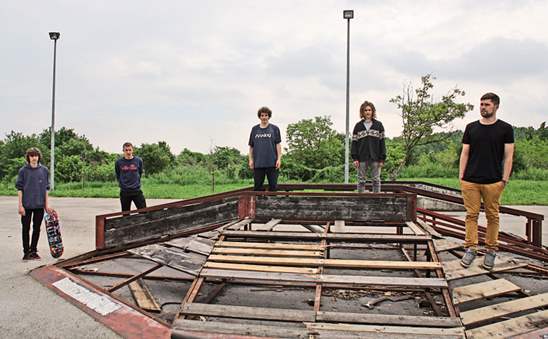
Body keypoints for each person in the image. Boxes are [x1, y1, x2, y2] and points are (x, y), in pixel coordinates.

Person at [459, 92, 514, 270]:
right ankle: (471, 248)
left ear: (496, 106)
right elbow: (465, 152)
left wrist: (504, 179)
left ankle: (490, 251)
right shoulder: (471, 127)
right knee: (471, 216)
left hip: (493, 181)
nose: (483, 107)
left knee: (492, 216)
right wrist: (461, 176)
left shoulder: (505, 128)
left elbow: (508, 156)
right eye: (481, 104)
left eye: (487, 104)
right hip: (471, 180)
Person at [15, 147, 52, 260]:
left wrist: (46, 205)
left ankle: (33, 251)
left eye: (36, 155)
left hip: (39, 205)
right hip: (26, 205)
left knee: (37, 228)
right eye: (31, 156)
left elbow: (46, 189)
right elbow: (20, 189)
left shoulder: (44, 171)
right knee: (25, 228)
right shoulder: (23, 171)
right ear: (28, 157)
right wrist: (20, 205)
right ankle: (26, 252)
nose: (34, 158)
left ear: (39, 157)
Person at [351, 100, 386, 193]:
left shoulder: (379, 125)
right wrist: (355, 158)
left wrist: (382, 158)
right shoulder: (358, 126)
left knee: (376, 180)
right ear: (362, 112)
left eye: (369, 110)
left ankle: (376, 200)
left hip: (375, 157)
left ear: (372, 111)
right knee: (361, 180)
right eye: (365, 110)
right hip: (361, 157)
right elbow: (354, 143)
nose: (367, 112)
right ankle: (361, 200)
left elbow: (382, 143)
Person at [248, 106, 282, 191]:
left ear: (269, 116)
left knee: (273, 187)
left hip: (272, 163)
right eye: (262, 115)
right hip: (258, 164)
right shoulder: (255, 129)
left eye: (266, 115)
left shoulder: (274, 129)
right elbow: (251, 146)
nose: (264, 117)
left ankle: (273, 204)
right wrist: (251, 160)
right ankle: (259, 204)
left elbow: (278, 145)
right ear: (259, 117)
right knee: (257, 187)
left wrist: (279, 159)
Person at [115, 142, 147, 212]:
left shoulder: (138, 160)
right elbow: (118, 174)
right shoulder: (118, 162)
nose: (128, 152)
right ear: (123, 151)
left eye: (130, 150)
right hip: (124, 192)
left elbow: (140, 173)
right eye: (126, 150)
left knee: (144, 212)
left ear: (132, 150)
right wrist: (122, 184)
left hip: (137, 191)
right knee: (125, 214)